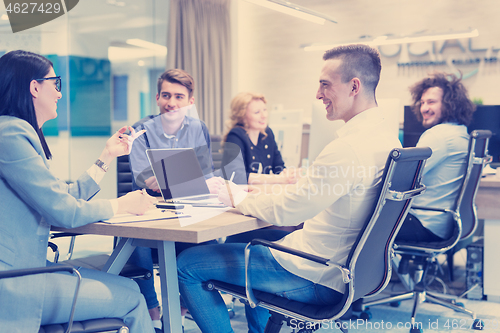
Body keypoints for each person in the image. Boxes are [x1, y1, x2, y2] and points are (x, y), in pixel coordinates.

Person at [177, 44, 402, 333]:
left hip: (314, 273)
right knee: (262, 240)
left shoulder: (347, 148)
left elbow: (287, 212)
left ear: (354, 86)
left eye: (325, 85)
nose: (318, 94)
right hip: (347, 272)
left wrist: (236, 196)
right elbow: (304, 200)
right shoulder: (389, 140)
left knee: (187, 264)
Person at [0, 50, 157, 332]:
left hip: (29, 270)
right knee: (133, 296)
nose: (59, 94)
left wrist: (106, 156)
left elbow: (63, 195)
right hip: (16, 283)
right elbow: (65, 211)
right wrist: (123, 204)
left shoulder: (13, 132)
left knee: (127, 286)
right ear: (35, 87)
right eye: (55, 83)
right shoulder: (10, 135)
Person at [127, 68, 222, 330]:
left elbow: (206, 175)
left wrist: (170, 175)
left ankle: (179, 313)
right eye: (166, 95)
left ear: (191, 102)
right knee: (137, 246)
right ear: (157, 98)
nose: (172, 102)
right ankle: (153, 315)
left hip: (188, 206)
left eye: (179, 96)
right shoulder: (141, 130)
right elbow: (144, 178)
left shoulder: (198, 128)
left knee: (205, 243)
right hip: (149, 208)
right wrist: (181, 174)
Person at [395, 72, 475, 243]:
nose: (424, 108)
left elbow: (401, 178)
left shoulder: (439, 136)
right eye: (422, 102)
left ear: (450, 104)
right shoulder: (460, 132)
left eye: (431, 102)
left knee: (362, 228)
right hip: (443, 225)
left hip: (425, 224)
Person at [221, 92, 298, 185]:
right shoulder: (235, 136)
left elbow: (279, 167)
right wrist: (279, 179)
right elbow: (236, 176)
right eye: (257, 112)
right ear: (242, 117)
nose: (264, 115)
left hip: (262, 192)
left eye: (264, 110)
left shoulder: (267, 133)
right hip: (242, 195)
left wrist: (289, 175)